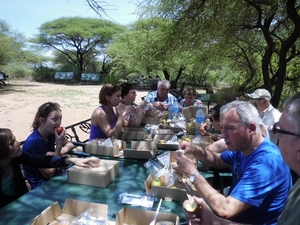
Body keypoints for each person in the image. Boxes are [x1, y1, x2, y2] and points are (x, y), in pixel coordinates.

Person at [182, 92, 300, 225]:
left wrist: (192, 173)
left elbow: (225, 209)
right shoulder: (243, 147)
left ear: (251, 129)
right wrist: (194, 149)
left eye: (230, 128)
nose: (223, 135)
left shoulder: (266, 165)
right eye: (222, 128)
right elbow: (216, 160)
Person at [0, 128, 99, 209]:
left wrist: (73, 160)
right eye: (11, 143)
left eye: (15, 139)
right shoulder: (33, 143)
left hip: (20, 204)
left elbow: (42, 161)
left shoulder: (16, 158)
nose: (17, 143)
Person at [22, 102, 75, 189]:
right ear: (42, 120)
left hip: (56, 177)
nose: (59, 122)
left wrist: (57, 152)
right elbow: (48, 174)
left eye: (60, 118)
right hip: (42, 186)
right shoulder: (35, 142)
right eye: (55, 119)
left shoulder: (51, 133)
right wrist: (58, 147)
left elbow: (70, 145)